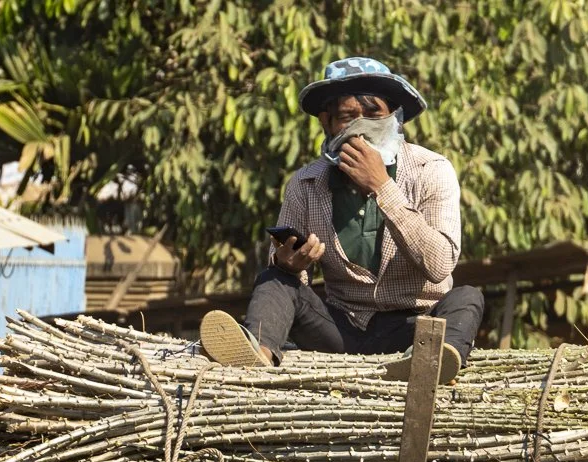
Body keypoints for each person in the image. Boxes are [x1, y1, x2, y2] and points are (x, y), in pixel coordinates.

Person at [198, 56, 485, 385]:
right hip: (341, 329)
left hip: (414, 329)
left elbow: (439, 264)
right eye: (348, 117)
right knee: (274, 279)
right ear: (327, 122)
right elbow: (287, 280)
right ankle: (256, 357)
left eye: (374, 115)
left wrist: (382, 187)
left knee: (467, 297)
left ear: (396, 118)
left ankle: (430, 364)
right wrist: (289, 264)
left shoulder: (431, 171)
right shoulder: (306, 184)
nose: (361, 127)